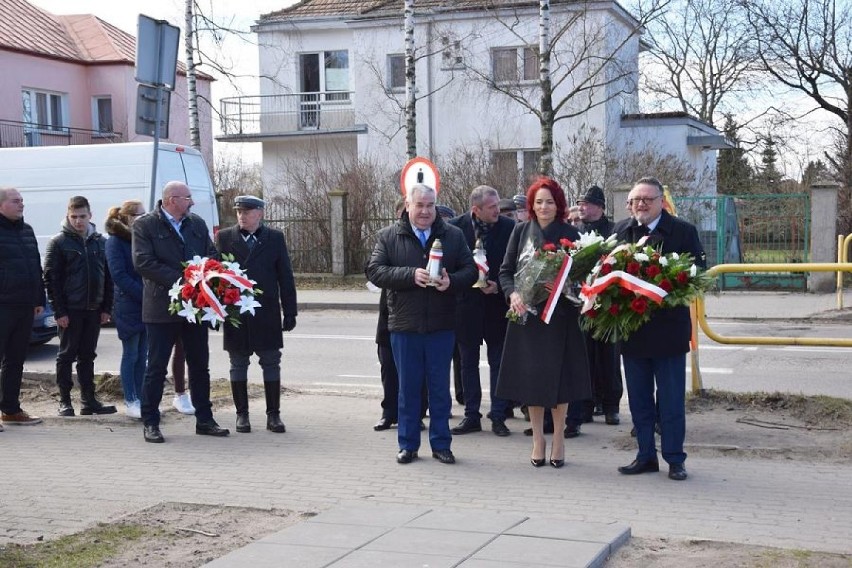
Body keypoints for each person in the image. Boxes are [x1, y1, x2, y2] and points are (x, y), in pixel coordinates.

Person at [366, 184, 477, 465]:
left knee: (439, 389)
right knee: (408, 389)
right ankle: (408, 444)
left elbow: (471, 270)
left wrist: (451, 280)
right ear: (407, 205)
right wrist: (408, 275)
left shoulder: (452, 235)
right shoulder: (389, 236)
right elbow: (375, 270)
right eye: (420, 205)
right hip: (404, 326)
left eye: (430, 205)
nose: (426, 211)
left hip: (441, 325)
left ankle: (441, 444)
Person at [613, 176, 706, 481]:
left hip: (668, 332)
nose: (640, 205)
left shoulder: (683, 231)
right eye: (635, 200)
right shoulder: (621, 231)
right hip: (633, 331)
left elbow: (696, 274)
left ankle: (675, 459)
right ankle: (645, 455)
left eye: (647, 200)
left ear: (661, 202)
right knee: (639, 401)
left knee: (670, 402)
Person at [496, 177, 591, 468]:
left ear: (558, 204)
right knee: (532, 381)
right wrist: (512, 294)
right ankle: (538, 438)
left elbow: (582, 276)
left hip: (560, 317)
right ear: (531, 205)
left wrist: (569, 288)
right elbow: (506, 270)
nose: (544, 206)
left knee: (561, 381)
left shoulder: (571, 234)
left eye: (549, 201)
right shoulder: (521, 231)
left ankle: (559, 438)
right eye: (538, 201)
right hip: (527, 318)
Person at [132, 180, 229, 443]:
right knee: (156, 366)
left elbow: (211, 254)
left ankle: (205, 420)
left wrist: (209, 276)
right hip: (161, 307)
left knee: (200, 365)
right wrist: (184, 281)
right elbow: (143, 262)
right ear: (172, 199)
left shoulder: (195, 223)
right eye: (188, 197)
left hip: (195, 307)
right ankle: (150, 421)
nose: (192, 202)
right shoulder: (145, 225)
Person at [215, 195, 297, 434]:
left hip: (266, 310)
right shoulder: (225, 238)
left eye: (247, 211)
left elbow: (285, 276)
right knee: (238, 363)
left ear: (260, 214)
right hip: (235, 311)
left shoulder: (274, 238)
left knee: (271, 362)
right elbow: (215, 276)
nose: (242, 215)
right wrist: (215, 310)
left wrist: (290, 311)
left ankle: (273, 415)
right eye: (239, 211)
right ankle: (242, 415)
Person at [449, 185, 515, 437]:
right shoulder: (455, 229)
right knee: (468, 363)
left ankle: (498, 415)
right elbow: (451, 266)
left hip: (497, 306)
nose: (498, 210)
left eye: (498, 205)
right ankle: (471, 415)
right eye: (492, 207)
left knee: (498, 362)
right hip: (466, 307)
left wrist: (499, 285)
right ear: (475, 209)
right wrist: (468, 282)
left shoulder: (509, 229)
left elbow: (514, 265)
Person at [44, 196, 115, 417]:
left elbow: (108, 277)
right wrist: (59, 311)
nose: (78, 221)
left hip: (93, 308)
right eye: (74, 217)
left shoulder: (100, 241)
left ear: (90, 215)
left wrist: (106, 308)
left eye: (82, 216)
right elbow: (51, 279)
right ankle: (65, 401)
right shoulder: (58, 243)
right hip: (70, 309)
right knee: (66, 355)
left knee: (88, 355)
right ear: (68, 216)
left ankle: (89, 400)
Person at [565, 185, 624, 437]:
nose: (582, 207)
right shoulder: (575, 232)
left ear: (599, 207)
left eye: (586, 204)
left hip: (607, 301)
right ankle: (586, 405)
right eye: (579, 203)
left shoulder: (613, 231)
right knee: (584, 356)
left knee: (608, 356)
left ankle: (611, 406)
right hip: (581, 301)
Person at [371, 199, 427, 433]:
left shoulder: (421, 242)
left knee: (418, 369)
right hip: (389, 312)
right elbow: (375, 269)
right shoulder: (388, 239)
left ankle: (418, 414)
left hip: (417, 316)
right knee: (388, 365)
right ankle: (388, 412)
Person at [0, 187, 44, 427]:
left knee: (15, 360)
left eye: (22, 201)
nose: (21, 205)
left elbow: (36, 265)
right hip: (3, 305)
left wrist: (39, 299)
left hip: (25, 305)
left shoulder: (27, 230)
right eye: (16, 201)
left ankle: (10, 409)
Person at [105, 200, 147, 418]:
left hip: (147, 306)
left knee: (143, 355)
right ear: (129, 217)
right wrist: (143, 293)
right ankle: (131, 400)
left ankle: (141, 397)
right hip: (128, 305)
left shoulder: (141, 238)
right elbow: (119, 275)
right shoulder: (114, 241)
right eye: (140, 214)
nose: (144, 216)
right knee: (130, 354)